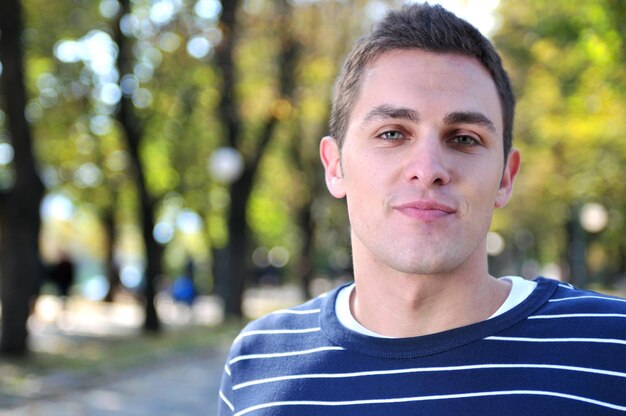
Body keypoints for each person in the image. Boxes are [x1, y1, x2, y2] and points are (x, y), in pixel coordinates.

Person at [218, 3, 626, 415]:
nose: (428, 170)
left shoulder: (613, 350)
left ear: (505, 176)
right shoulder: (258, 365)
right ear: (335, 165)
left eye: (464, 138)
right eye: (393, 133)